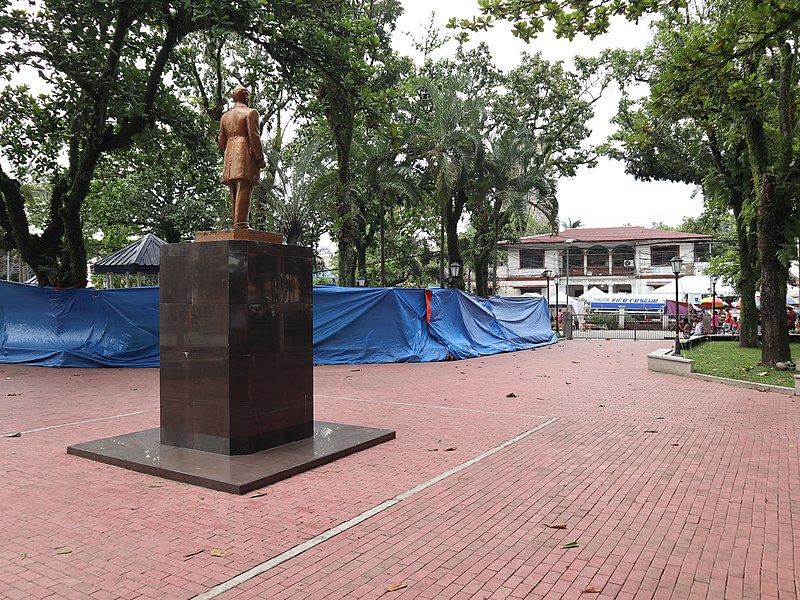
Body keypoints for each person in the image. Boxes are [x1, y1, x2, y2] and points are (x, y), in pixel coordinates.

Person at [219, 85, 266, 230]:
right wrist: (259, 158)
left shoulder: (225, 117)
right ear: (246, 97)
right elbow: (254, 136)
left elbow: (221, 141)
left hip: (230, 155)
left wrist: (229, 150)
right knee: (245, 186)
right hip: (244, 152)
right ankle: (241, 223)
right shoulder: (251, 113)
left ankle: (237, 222)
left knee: (233, 188)